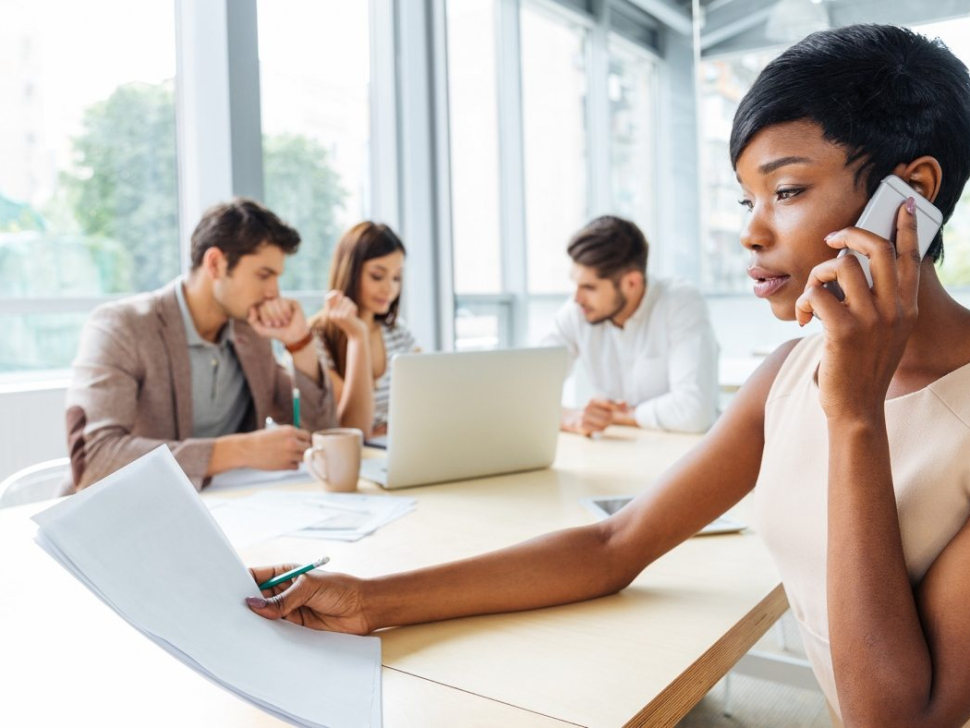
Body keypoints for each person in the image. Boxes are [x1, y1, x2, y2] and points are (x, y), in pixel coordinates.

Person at [246, 26, 970, 727]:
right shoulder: (791, 372)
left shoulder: (868, 399)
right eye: (745, 199)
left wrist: (855, 416)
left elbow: (897, 721)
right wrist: (371, 600)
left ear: (911, 195)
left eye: (785, 191)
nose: (751, 231)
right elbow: (615, 544)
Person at [66, 198, 342, 491]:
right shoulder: (122, 327)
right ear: (215, 264)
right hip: (128, 512)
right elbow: (95, 460)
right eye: (264, 275)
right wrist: (239, 450)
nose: (274, 292)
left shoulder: (251, 334)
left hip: (232, 510)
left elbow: (323, 436)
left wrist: (300, 344)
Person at [542, 216, 719, 435]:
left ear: (632, 283)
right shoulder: (578, 311)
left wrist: (619, 416)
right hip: (618, 453)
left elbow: (695, 411)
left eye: (589, 287)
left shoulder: (680, 303)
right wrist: (570, 417)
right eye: (576, 284)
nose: (577, 297)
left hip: (682, 454)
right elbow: (529, 389)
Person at [308, 222, 418, 438]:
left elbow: (426, 400)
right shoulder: (315, 337)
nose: (389, 288)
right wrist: (357, 336)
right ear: (350, 272)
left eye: (396, 278)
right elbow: (354, 428)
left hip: (396, 447)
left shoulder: (398, 333)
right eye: (377, 276)